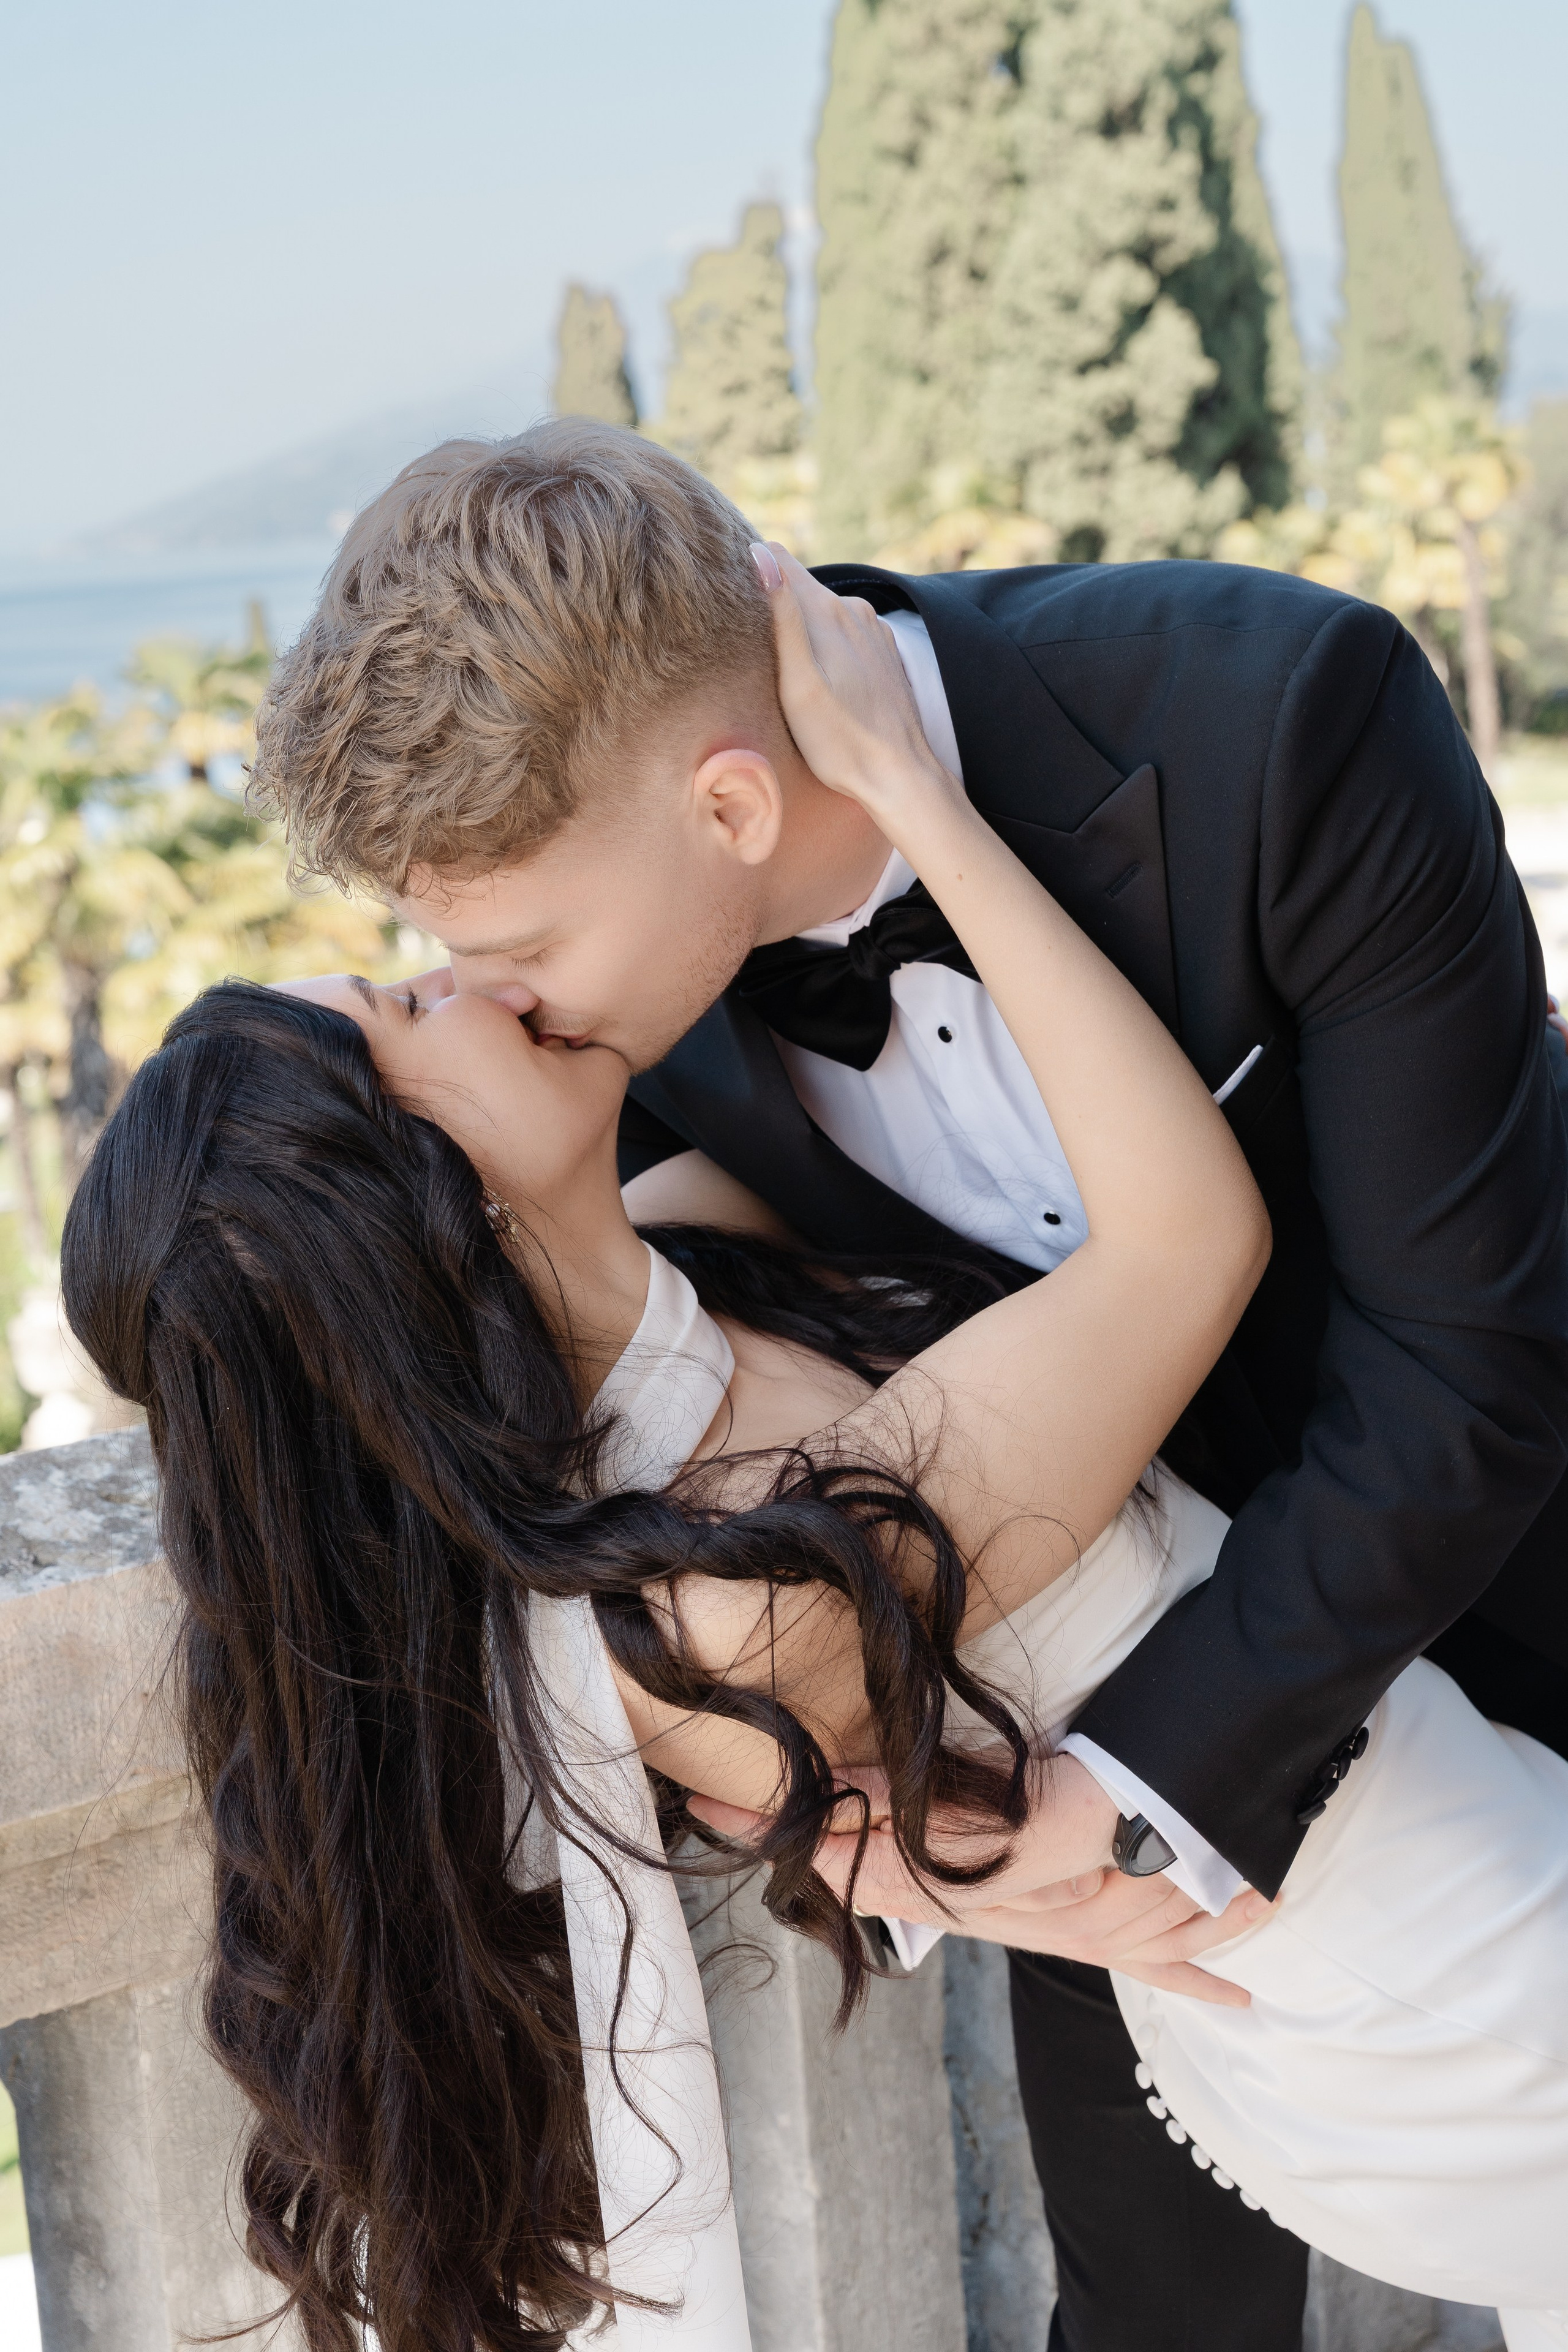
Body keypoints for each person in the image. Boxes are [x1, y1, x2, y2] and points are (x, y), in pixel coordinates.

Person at [64, 560, 1568, 2351]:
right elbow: (1183, 1242)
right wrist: (920, 800)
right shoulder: (733, 1585)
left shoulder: (682, 1255)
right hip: (1423, 1961)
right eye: (410, 1007)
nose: (466, 982)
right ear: (410, 1210)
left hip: (1431, 1810)